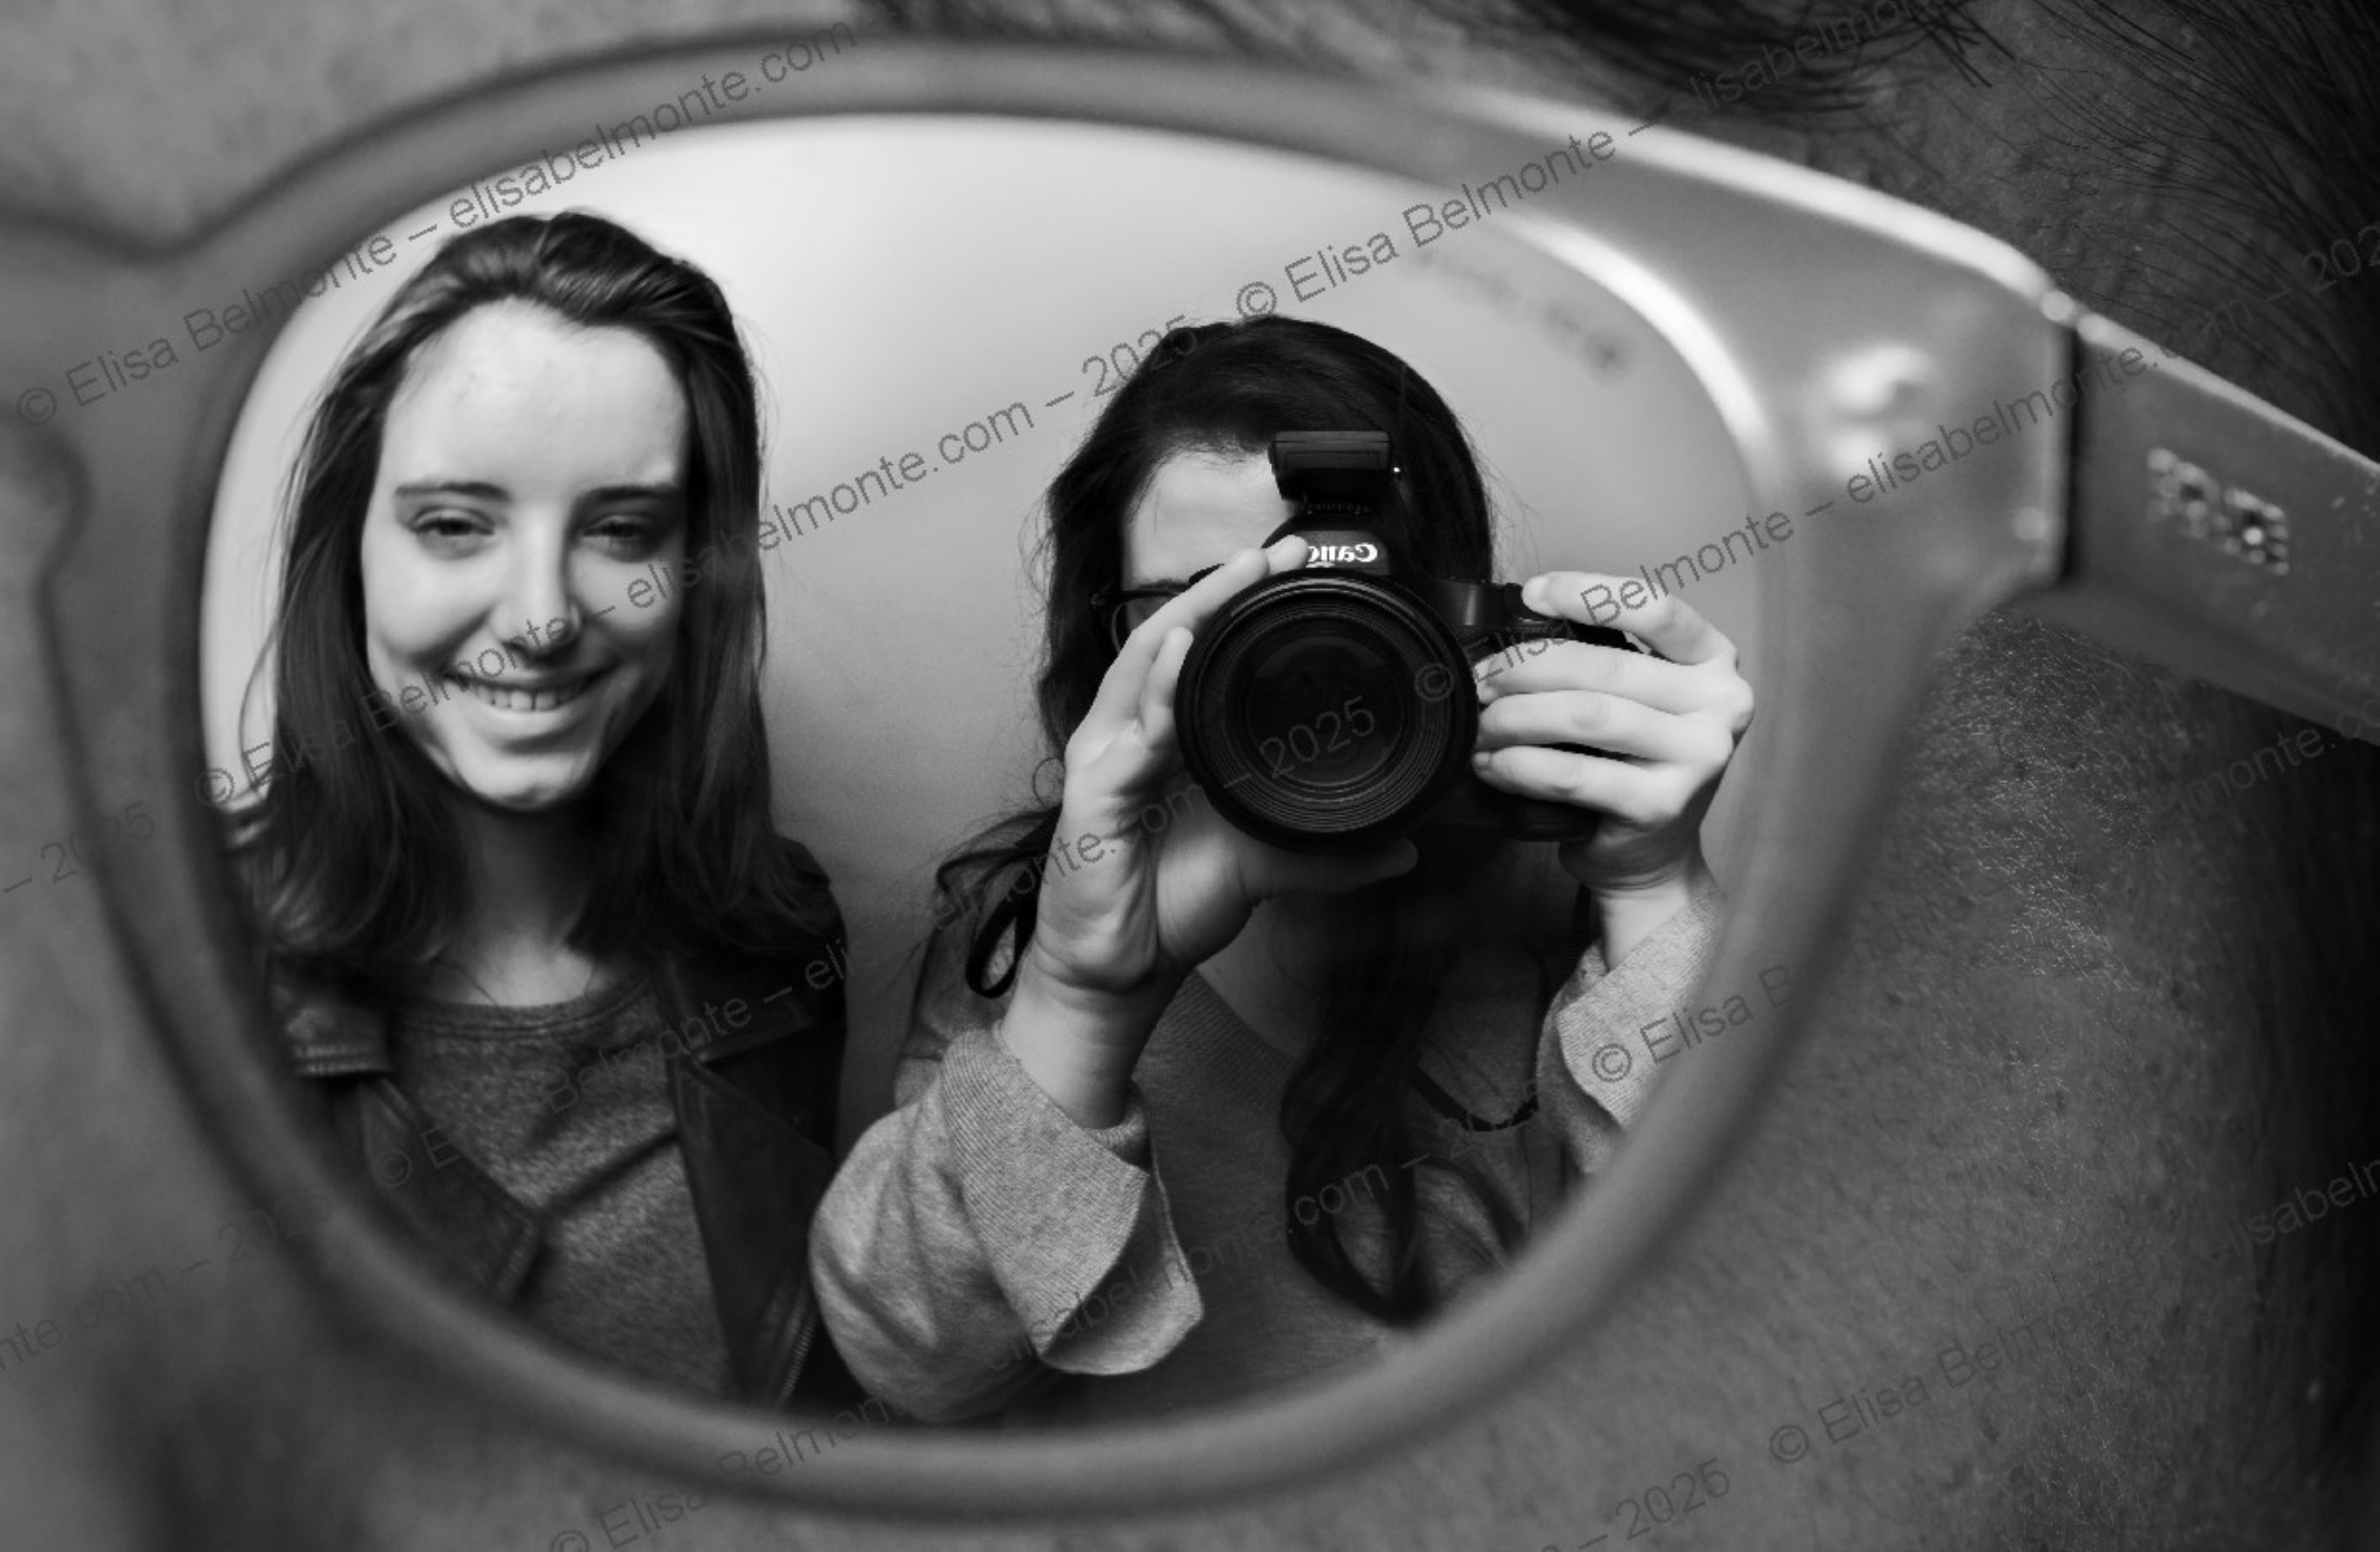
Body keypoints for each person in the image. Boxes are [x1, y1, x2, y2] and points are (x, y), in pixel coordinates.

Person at [812, 316, 1756, 1422]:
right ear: (1109, 642)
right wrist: (1079, 999)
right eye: (1203, 614)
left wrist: (1653, 890)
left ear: (1453, 631)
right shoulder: (1034, 922)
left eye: (1333, 614)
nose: (1289, 670)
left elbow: (1757, 1293)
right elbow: (913, 1365)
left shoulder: (1551, 897)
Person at [222, 211, 859, 1407]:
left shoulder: (776, 943)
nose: (542, 617)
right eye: (455, 525)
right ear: (348, 551)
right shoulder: (164, 975)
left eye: (621, 530)